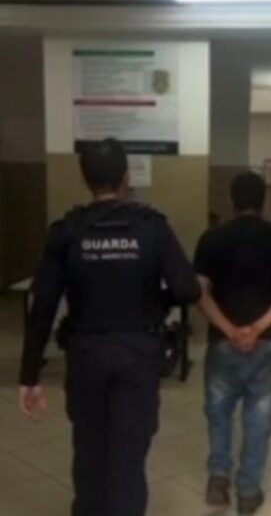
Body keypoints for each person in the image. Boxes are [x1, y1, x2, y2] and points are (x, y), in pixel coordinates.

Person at [19, 138, 200, 516]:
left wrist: (30, 374)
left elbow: (42, 305)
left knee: (89, 453)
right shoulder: (152, 227)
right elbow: (187, 289)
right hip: (138, 354)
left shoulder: (67, 231)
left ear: (85, 179)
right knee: (129, 459)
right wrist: (156, 301)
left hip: (86, 356)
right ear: (126, 177)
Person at [194, 171, 271, 515]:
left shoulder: (211, 239)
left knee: (219, 413)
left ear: (231, 200)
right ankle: (249, 492)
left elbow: (200, 293)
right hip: (267, 343)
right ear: (263, 200)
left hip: (221, 343)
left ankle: (218, 478)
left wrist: (230, 329)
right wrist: (257, 328)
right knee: (259, 419)